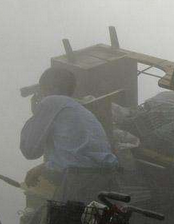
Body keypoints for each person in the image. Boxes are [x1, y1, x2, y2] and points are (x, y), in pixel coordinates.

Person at [20, 67, 118, 198]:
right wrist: (42, 167)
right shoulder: (80, 109)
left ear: (49, 89)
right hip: (107, 177)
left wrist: (36, 113)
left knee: (59, 217)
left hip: (79, 179)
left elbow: (30, 150)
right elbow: (78, 154)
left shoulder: (51, 101)